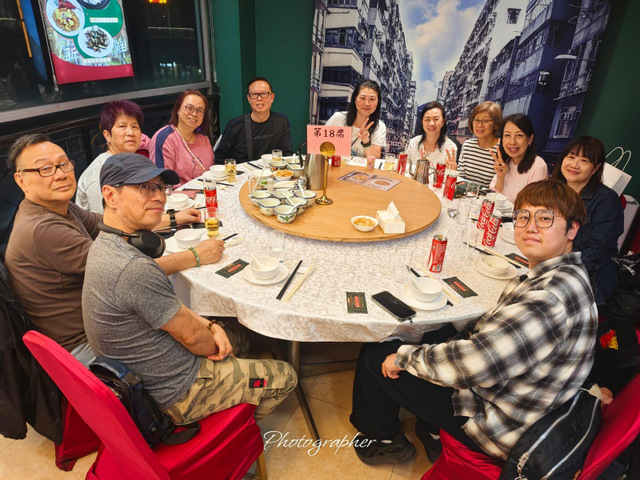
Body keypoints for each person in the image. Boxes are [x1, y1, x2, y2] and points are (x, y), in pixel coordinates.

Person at [349, 179, 597, 465]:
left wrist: (403, 358)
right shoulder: (567, 273)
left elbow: (477, 364)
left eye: (544, 218)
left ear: (572, 229)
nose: (530, 226)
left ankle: (383, 441)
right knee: (434, 332)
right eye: (523, 217)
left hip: (497, 422)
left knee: (376, 354)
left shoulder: (548, 298)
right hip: (520, 397)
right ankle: (432, 430)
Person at [82, 153, 297, 424]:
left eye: (160, 187)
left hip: (148, 367)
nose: (159, 197)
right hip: (173, 392)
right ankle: (236, 429)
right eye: (145, 187)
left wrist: (211, 326)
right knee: (286, 375)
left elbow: (173, 314)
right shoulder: (133, 269)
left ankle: (241, 369)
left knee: (239, 338)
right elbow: (193, 339)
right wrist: (212, 335)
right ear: (110, 196)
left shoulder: (106, 244)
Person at [4, 134, 219, 365]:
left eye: (63, 164)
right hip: (86, 347)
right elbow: (123, 269)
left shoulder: (58, 208)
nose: (60, 174)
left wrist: (173, 218)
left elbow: (109, 223)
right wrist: (196, 255)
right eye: (45, 169)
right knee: (196, 334)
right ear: (21, 180)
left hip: (104, 321)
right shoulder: (43, 230)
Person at [552, 136, 624, 304]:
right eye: (571, 157)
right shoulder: (554, 190)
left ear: (595, 168)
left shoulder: (607, 200)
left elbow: (598, 253)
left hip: (588, 278)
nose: (574, 165)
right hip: (554, 263)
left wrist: (556, 264)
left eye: (584, 160)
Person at [76, 100, 151, 212]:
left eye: (135, 127)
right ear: (107, 135)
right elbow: (103, 219)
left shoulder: (133, 162)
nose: (130, 133)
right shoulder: (100, 172)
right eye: (122, 126)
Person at [214, 77, 293, 163]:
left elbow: (287, 154)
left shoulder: (281, 121)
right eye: (254, 94)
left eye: (264, 93)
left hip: (274, 170)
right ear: (249, 99)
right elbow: (220, 157)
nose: (259, 98)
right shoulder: (235, 125)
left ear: (272, 97)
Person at [150, 89, 214, 186]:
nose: (194, 114)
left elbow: (211, 173)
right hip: (177, 195)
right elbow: (162, 183)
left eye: (199, 110)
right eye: (189, 108)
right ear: (178, 109)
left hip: (206, 191)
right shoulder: (164, 138)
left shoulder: (203, 138)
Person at [490, 113, 548, 203]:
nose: (512, 142)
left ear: (530, 139)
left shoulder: (538, 166)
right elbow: (495, 198)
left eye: (519, 135)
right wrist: (501, 177)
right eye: (507, 135)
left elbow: (531, 205)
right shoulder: (507, 162)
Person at [326, 80, 387, 158]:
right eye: (363, 98)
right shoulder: (338, 118)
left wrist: (366, 141)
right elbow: (320, 147)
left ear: (378, 102)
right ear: (355, 99)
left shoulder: (379, 127)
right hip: (336, 164)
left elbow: (375, 158)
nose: (367, 103)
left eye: (372, 99)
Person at [458, 101, 502, 187]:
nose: (480, 125)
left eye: (485, 121)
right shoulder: (467, 145)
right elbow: (461, 178)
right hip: (466, 193)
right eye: (477, 120)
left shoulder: (502, 149)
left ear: (496, 124)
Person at [405, 101, 457, 169]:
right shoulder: (413, 142)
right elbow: (405, 169)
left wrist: (452, 171)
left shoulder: (450, 147)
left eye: (436, 119)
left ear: (443, 122)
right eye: (427, 119)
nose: (431, 123)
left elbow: (448, 173)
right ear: (422, 122)